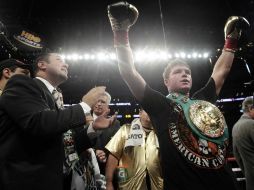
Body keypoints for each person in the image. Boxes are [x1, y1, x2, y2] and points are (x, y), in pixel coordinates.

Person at [107, 2, 250, 190]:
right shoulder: (160, 105)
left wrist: (231, 40)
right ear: (166, 81)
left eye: (188, 72)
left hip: (224, 183)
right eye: (178, 72)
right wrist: (120, 29)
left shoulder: (202, 101)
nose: (185, 74)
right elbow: (129, 73)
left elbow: (221, 71)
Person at [0, 52, 109, 190]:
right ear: (42, 65)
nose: (66, 64)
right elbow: (38, 123)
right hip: (27, 183)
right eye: (59, 60)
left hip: (57, 180)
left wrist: (92, 129)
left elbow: (65, 145)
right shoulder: (22, 83)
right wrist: (84, 105)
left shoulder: (56, 97)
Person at [105, 109, 163, 190]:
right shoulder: (125, 129)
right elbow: (114, 155)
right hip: (128, 185)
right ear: (140, 113)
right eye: (147, 110)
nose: (150, 113)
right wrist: (109, 182)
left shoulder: (161, 133)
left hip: (156, 184)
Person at [232, 96, 254, 190]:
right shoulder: (251, 124)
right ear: (251, 108)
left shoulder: (235, 126)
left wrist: (248, 173)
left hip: (250, 181)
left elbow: (237, 155)